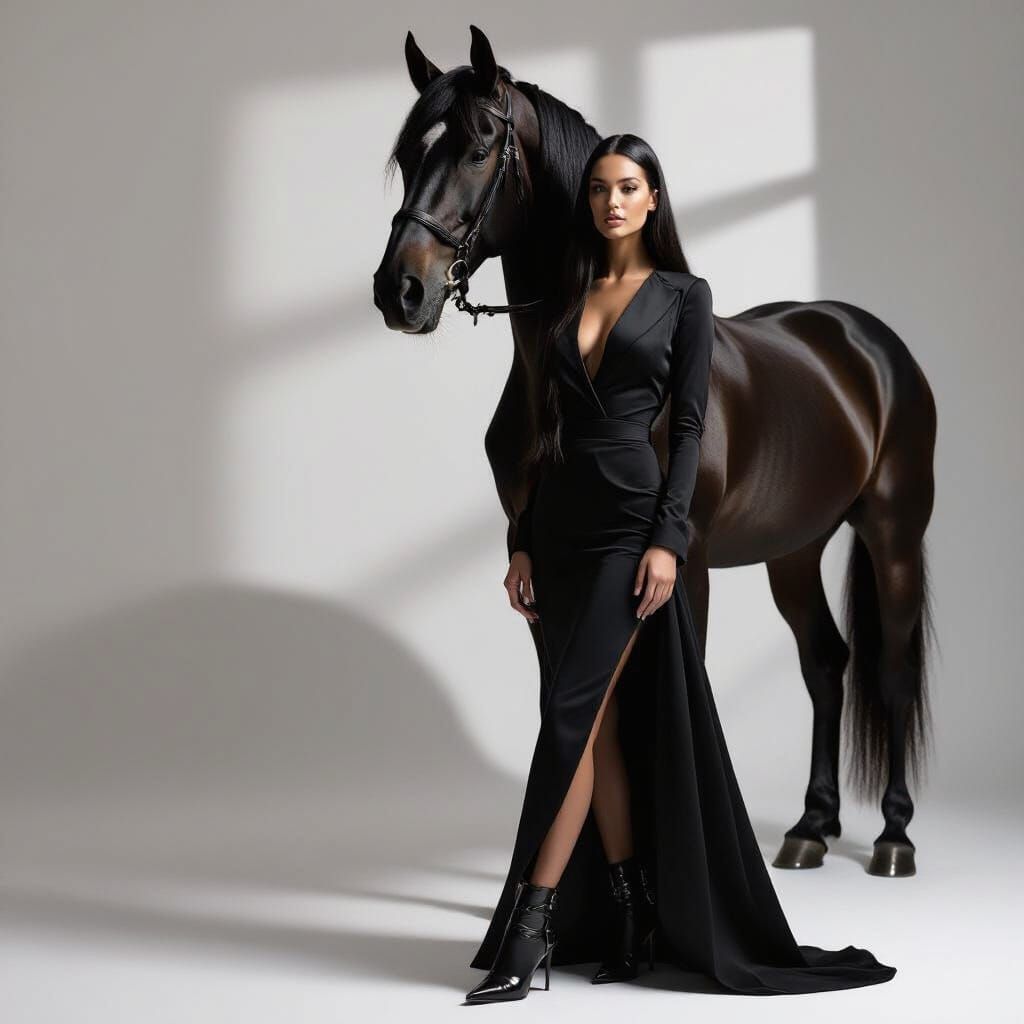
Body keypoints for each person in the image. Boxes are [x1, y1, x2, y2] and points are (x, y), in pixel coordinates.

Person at [464, 134, 897, 1004]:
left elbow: (691, 430)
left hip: (631, 524)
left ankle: (532, 926)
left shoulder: (685, 299)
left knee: (567, 723)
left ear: (655, 199)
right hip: (557, 529)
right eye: (598, 190)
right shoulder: (563, 298)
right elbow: (542, 432)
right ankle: (626, 914)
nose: (611, 203)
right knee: (602, 729)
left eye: (628, 188)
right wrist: (518, 537)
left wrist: (669, 540)